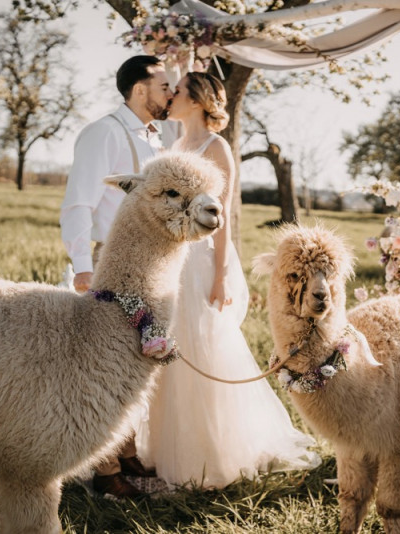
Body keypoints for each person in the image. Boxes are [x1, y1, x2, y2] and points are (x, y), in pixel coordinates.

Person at [137, 72, 321, 489]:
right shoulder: (175, 143)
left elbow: (220, 220)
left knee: (200, 348)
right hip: (171, 258)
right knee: (168, 352)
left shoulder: (216, 147)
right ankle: (165, 448)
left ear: (199, 100)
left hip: (202, 261)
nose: (172, 96)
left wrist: (219, 276)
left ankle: (207, 457)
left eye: (179, 91)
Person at [60, 55, 173, 499]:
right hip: (108, 266)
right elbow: (78, 204)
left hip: (146, 266)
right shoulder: (103, 132)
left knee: (132, 363)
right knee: (105, 367)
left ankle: (125, 455)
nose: (171, 92)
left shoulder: (154, 138)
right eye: (165, 84)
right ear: (139, 89)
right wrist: (84, 266)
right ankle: (104, 473)